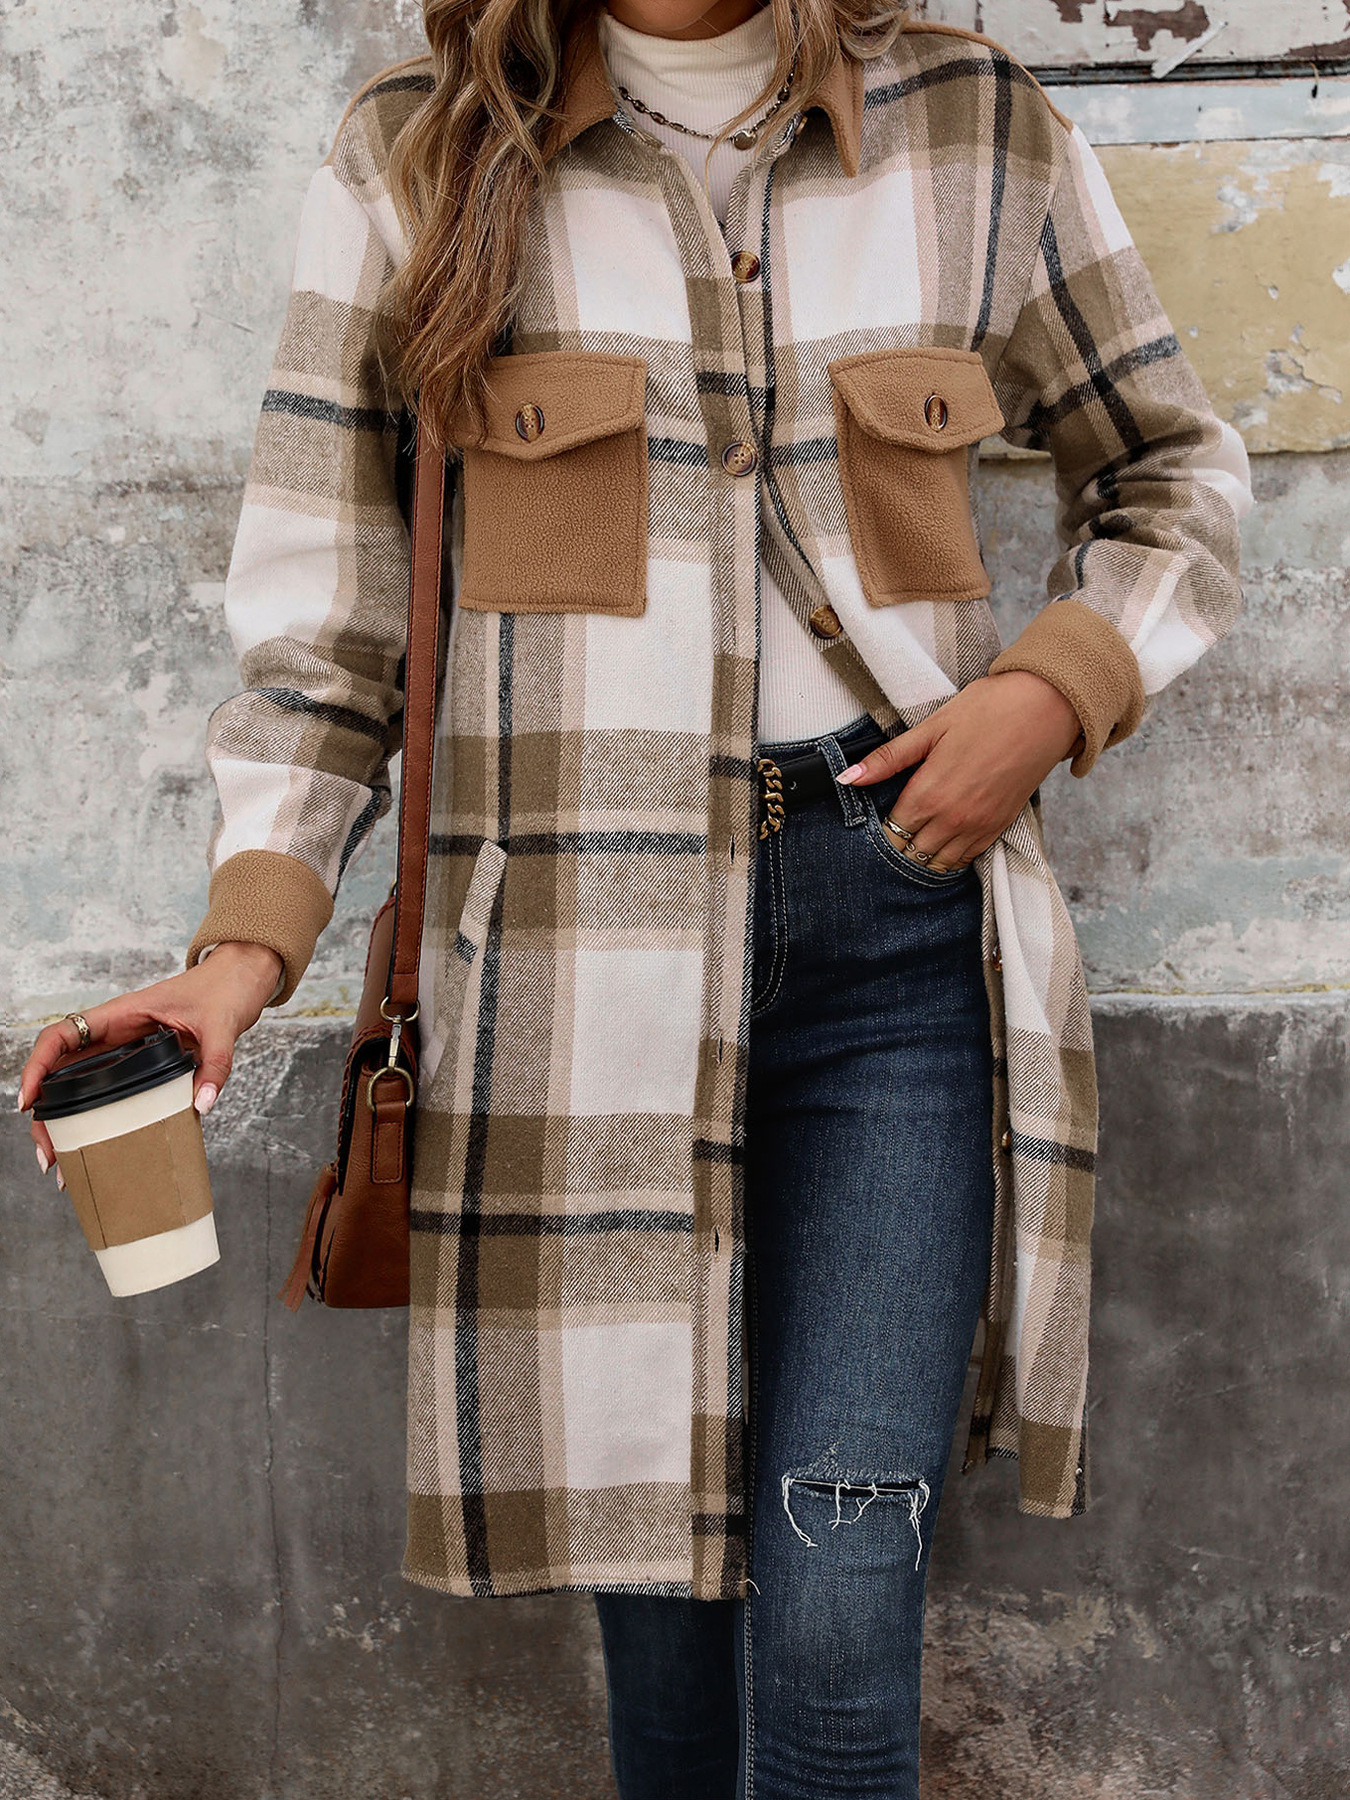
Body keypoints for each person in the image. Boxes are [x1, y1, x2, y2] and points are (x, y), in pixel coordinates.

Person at [21, 0, 1252, 1791]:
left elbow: (1170, 469)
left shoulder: (971, 124)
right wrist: (241, 949)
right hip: (572, 972)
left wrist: (1049, 691)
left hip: (894, 936)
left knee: (838, 1602)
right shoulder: (416, 151)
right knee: (663, 1633)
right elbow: (327, 628)